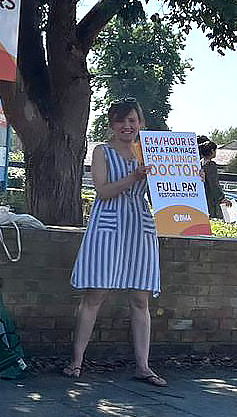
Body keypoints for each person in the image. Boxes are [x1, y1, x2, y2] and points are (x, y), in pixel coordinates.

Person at [66, 98, 166, 387]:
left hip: (139, 225)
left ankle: (143, 366)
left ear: (141, 123)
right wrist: (133, 176)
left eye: (132, 120)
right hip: (108, 223)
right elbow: (103, 191)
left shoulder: (151, 152)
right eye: (121, 120)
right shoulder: (102, 151)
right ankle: (76, 361)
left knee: (140, 298)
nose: (127, 126)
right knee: (95, 293)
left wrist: (189, 181)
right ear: (112, 124)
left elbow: (165, 192)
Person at [198, 137, 230, 220]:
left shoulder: (199, 164)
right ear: (212, 151)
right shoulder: (211, 165)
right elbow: (214, 184)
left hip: (202, 199)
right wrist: (221, 198)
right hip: (212, 201)